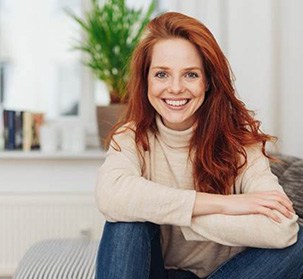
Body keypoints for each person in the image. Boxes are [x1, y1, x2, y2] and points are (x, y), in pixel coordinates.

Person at [95, 12, 303, 279]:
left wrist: (176, 215)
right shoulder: (131, 138)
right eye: (162, 74)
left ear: (208, 82)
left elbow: (282, 229)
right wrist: (225, 205)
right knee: (126, 224)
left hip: (226, 275)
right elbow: (110, 196)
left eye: (190, 75)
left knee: (299, 246)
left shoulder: (240, 143)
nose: (176, 88)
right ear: (146, 80)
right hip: (156, 273)